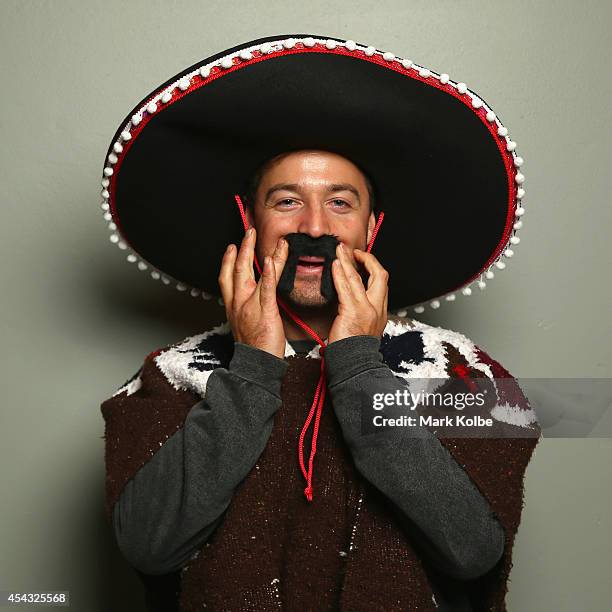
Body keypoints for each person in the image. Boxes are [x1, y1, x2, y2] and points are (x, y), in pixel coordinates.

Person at [100, 35, 540, 611]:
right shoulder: (171, 376)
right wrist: (253, 365)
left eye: (340, 203)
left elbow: (472, 549)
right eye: (286, 201)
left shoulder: (463, 372)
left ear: (371, 229)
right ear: (248, 220)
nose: (315, 225)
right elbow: (149, 545)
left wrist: (358, 364)